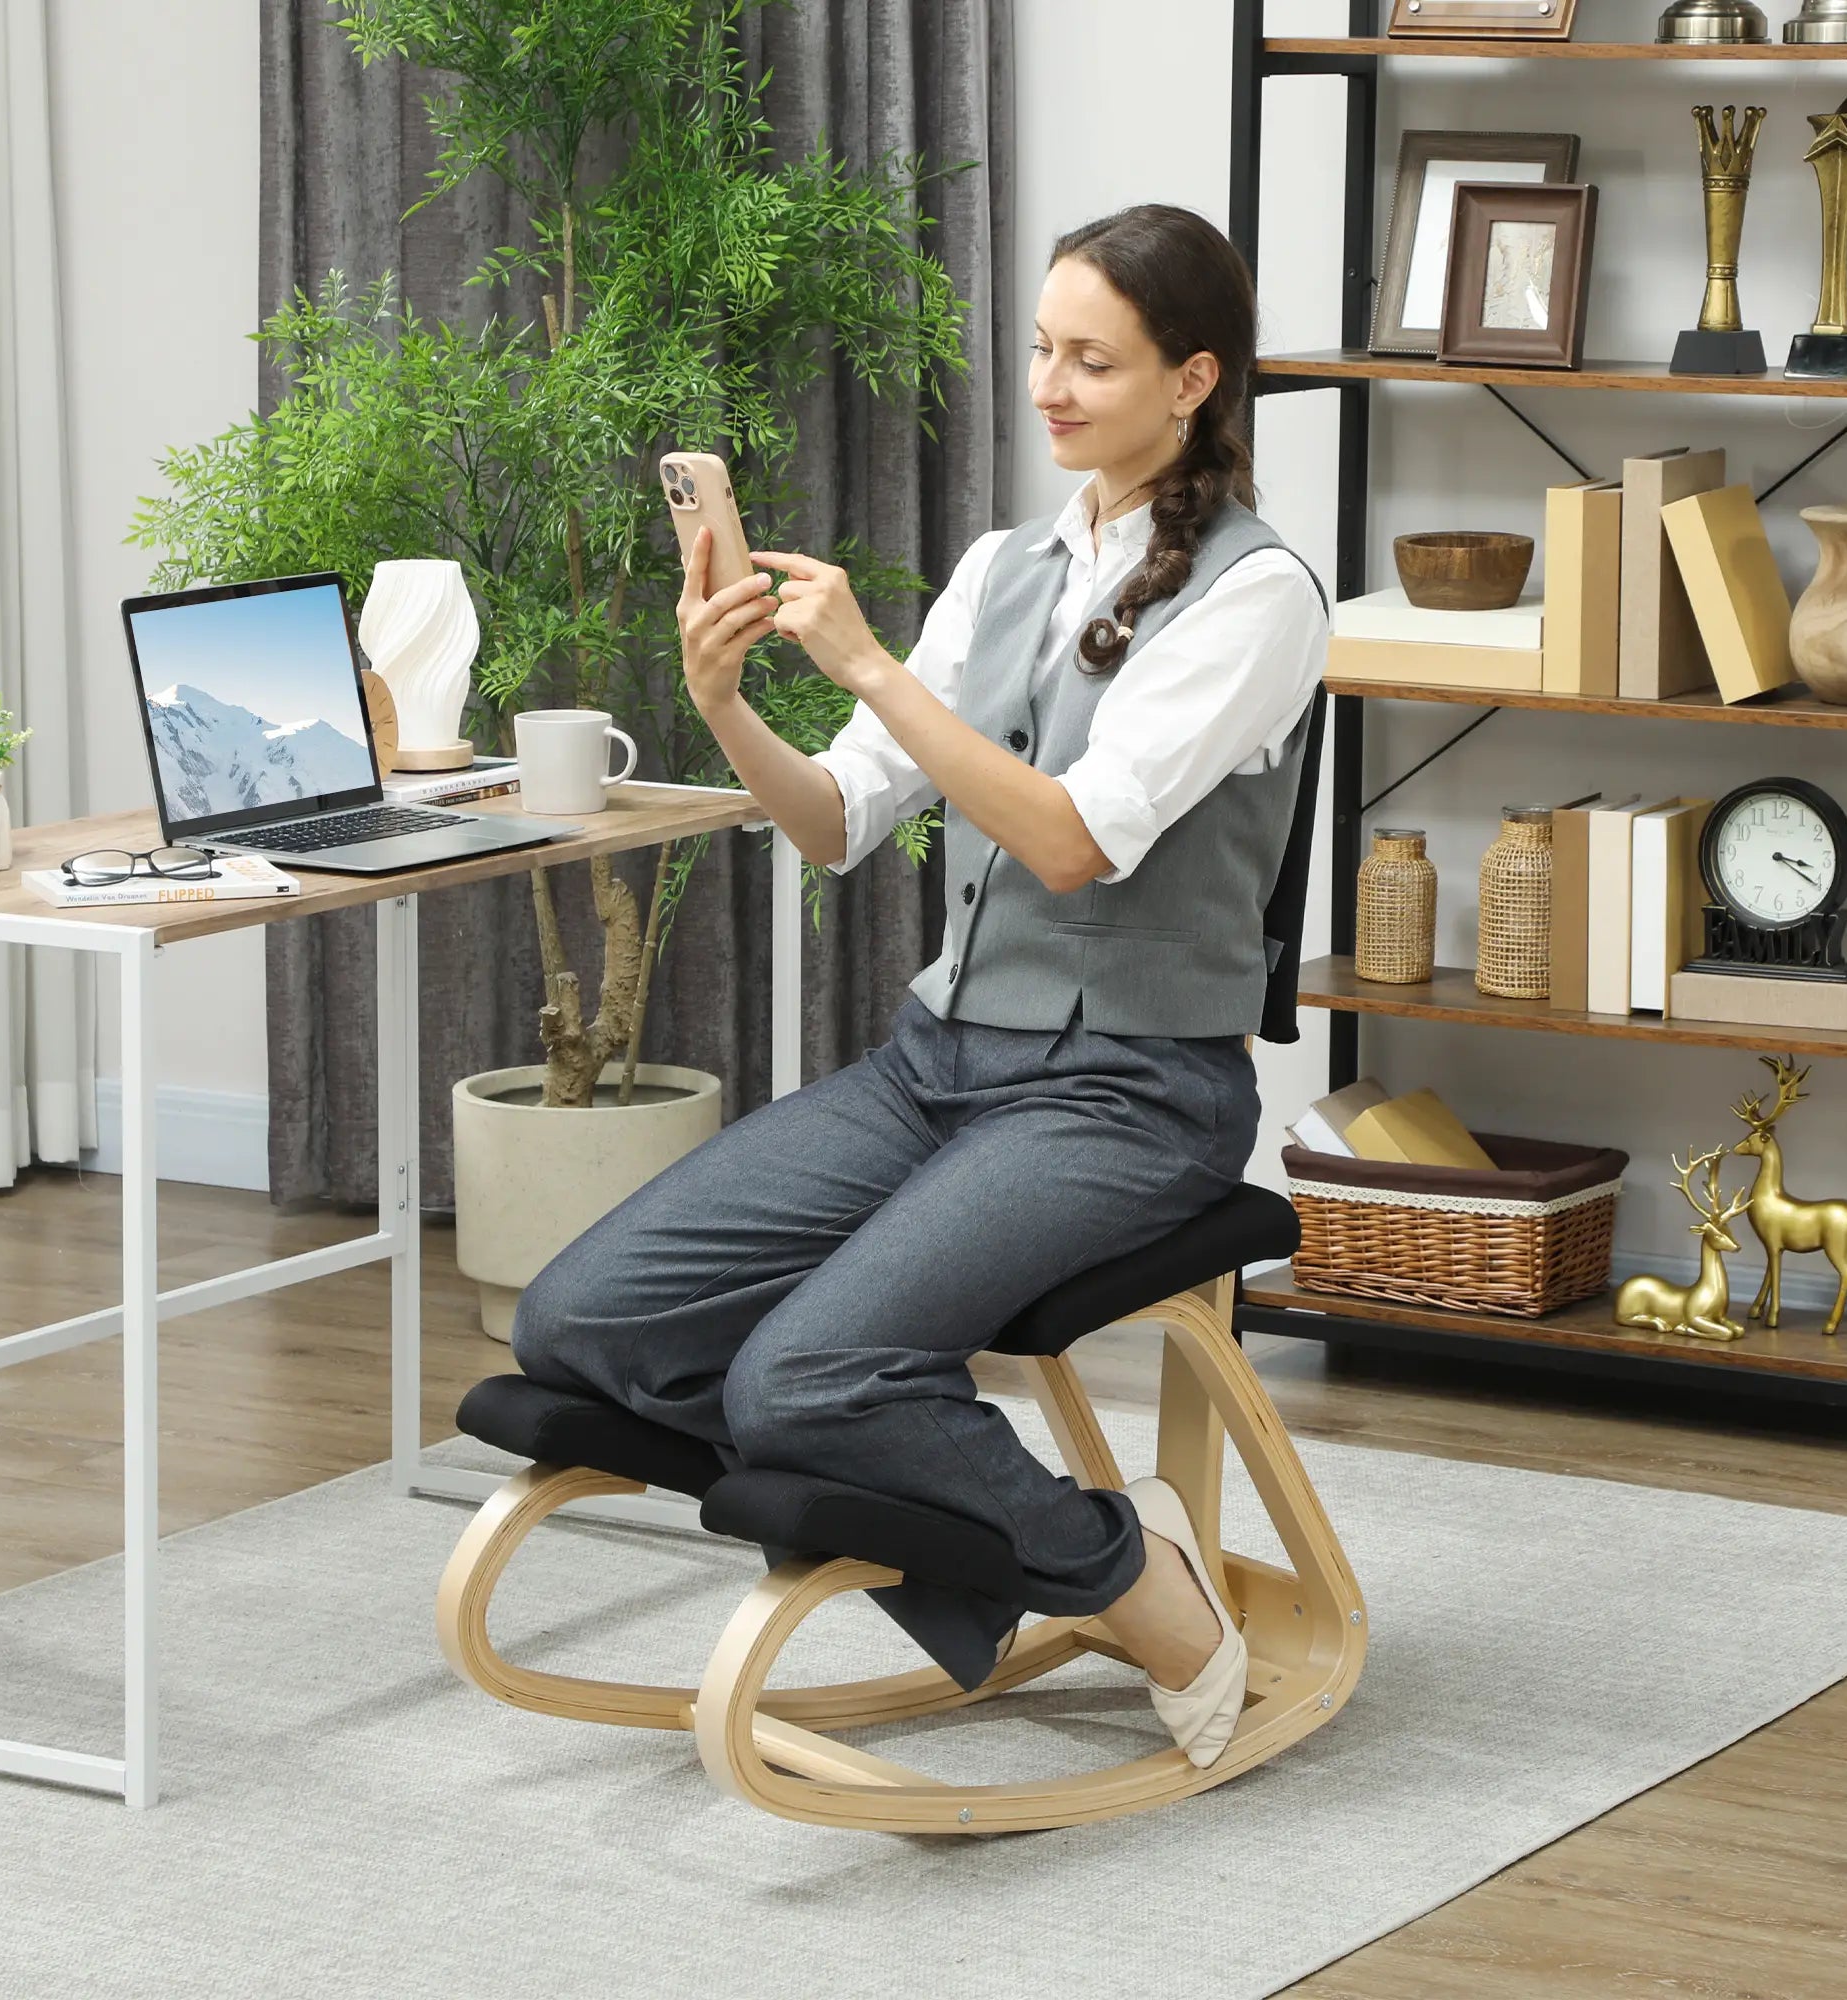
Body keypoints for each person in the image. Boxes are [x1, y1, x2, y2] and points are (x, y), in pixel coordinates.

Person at [510, 202, 1328, 1768]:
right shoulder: (1006, 568)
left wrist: (872, 664)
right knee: (589, 1320)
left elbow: (1077, 840)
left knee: (805, 1377)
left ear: (1194, 379)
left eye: (1094, 359)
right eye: (1040, 349)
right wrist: (729, 703)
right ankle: (998, 1540)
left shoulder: (1257, 595)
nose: (1051, 386)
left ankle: (1121, 1573)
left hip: (1131, 1088)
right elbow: (836, 822)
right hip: (940, 1059)